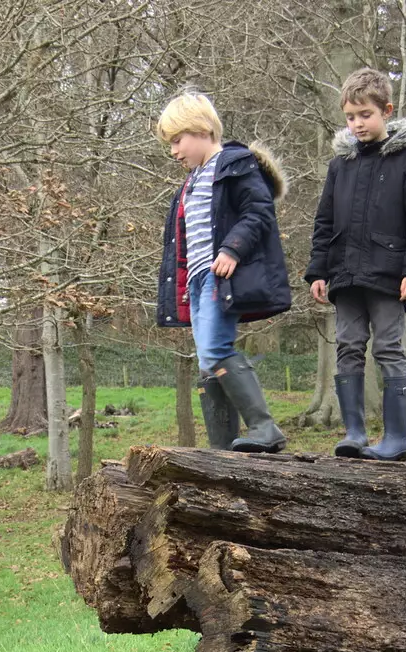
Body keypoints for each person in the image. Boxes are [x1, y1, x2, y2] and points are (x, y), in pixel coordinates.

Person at [305, 67, 406, 460]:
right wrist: (317, 270)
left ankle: (397, 438)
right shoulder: (339, 165)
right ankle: (354, 433)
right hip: (344, 275)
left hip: (388, 276)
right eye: (351, 116)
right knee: (347, 347)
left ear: (387, 111)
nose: (358, 123)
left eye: (366, 115)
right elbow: (324, 221)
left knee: (388, 348)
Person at [154, 92, 292, 453]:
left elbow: (259, 212)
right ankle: (224, 447)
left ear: (201, 130)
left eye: (177, 140)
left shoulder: (234, 165)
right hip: (198, 279)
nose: (173, 151)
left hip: (221, 277)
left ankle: (264, 427)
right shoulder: (192, 181)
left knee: (215, 348)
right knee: (206, 359)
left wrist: (232, 248)